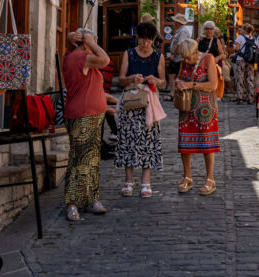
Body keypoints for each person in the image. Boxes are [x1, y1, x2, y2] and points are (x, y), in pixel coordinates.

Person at [62, 28, 110, 222]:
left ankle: (90, 199)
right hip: (83, 114)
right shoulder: (81, 57)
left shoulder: (74, 55)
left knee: (91, 159)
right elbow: (105, 59)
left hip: (90, 114)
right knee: (80, 160)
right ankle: (72, 203)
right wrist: (90, 41)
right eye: (93, 40)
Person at [115, 20, 166, 198]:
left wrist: (155, 80)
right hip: (130, 102)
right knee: (128, 140)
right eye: (142, 39)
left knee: (148, 142)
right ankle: (128, 181)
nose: (144, 43)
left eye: (148, 40)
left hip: (149, 104)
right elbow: (120, 79)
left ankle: (146, 182)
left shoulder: (158, 57)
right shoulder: (128, 54)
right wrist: (131, 78)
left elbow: (164, 81)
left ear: (153, 40)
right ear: (137, 38)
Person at [175, 38, 219, 195]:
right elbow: (180, 77)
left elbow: (213, 85)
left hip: (205, 108)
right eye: (184, 58)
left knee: (207, 143)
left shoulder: (208, 59)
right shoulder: (184, 62)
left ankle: (210, 179)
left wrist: (191, 85)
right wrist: (178, 82)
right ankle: (187, 177)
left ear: (196, 52)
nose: (187, 61)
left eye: (189, 57)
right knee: (185, 145)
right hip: (187, 108)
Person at [167, 12, 193, 98]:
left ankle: (175, 94)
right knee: (174, 75)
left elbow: (180, 44)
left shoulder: (183, 31)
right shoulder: (181, 30)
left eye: (175, 21)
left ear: (178, 23)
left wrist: (173, 53)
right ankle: (174, 94)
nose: (174, 23)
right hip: (177, 58)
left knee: (174, 75)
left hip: (178, 58)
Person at [231, 23, 256, 104]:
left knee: (240, 78)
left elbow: (237, 48)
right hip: (250, 60)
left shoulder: (240, 37)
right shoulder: (253, 38)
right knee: (250, 79)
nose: (240, 30)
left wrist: (235, 47)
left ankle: (240, 98)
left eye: (242, 29)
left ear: (245, 30)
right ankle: (250, 98)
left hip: (241, 60)